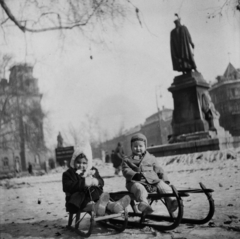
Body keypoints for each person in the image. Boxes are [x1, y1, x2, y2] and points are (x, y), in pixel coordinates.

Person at [62, 144, 131, 216]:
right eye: (78, 162)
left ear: (88, 163)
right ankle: (97, 207)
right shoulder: (68, 174)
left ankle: (113, 206)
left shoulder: (92, 170)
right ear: (74, 161)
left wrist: (96, 181)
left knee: (100, 194)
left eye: (84, 163)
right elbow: (67, 186)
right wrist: (83, 183)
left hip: (94, 196)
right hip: (77, 201)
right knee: (88, 201)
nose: (81, 165)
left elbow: (101, 182)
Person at [122, 133, 178, 214]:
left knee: (162, 185)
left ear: (145, 146)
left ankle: (171, 201)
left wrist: (165, 180)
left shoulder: (151, 158)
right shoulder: (128, 159)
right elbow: (125, 170)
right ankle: (144, 204)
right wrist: (134, 175)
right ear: (131, 147)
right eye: (135, 146)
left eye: (141, 146)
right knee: (140, 189)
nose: (138, 148)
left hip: (152, 181)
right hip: (134, 182)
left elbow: (159, 169)